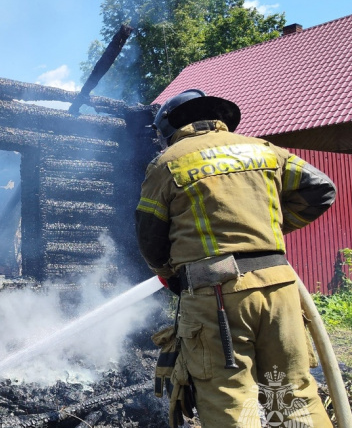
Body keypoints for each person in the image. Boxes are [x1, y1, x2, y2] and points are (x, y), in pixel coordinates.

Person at [136, 89, 336, 427]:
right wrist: (263, 231)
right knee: (293, 393)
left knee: (228, 398)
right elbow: (322, 190)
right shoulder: (263, 149)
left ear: (170, 127)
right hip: (280, 288)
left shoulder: (167, 162)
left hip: (217, 296)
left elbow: (150, 238)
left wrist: (169, 273)